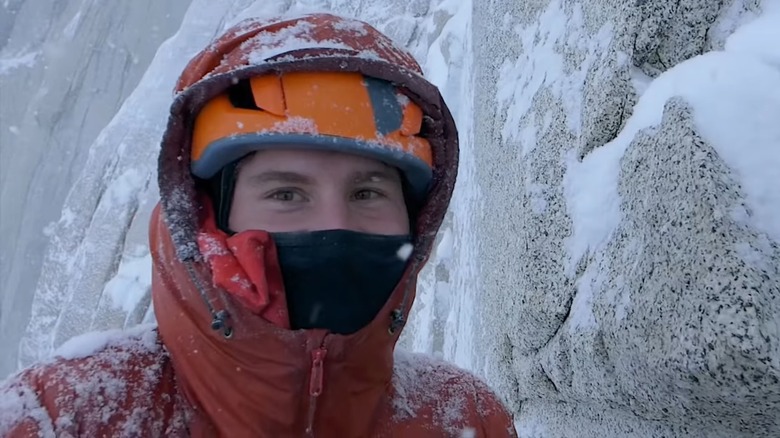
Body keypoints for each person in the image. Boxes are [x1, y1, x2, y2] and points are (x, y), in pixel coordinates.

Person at [0, 13, 517, 437]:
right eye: (285, 193)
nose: (333, 223)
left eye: (367, 192)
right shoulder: (66, 414)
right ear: (208, 214)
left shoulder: (464, 418)